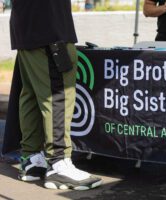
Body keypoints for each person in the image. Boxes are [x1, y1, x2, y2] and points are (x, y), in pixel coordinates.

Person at [10, 0, 102, 190]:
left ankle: (32, 160)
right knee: (59, 94)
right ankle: (58, 164)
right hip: (49, 28)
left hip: (28, 26)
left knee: (33, 96)